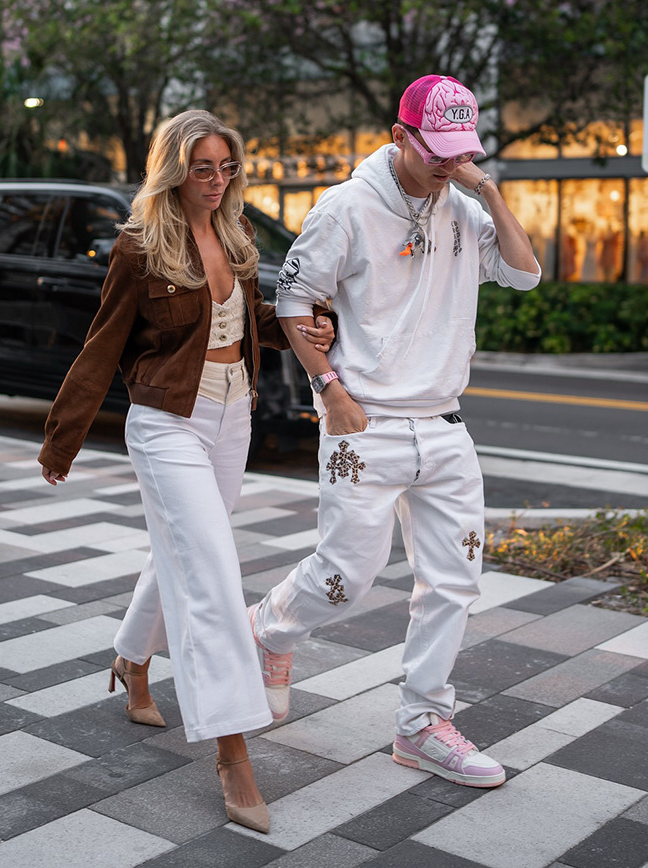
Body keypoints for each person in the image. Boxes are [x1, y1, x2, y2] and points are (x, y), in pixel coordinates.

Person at [38, 110, 334, 833]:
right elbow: (103, 344)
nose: (217, 180)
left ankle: (132, 658)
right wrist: (62, 440)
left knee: (183, 550)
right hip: (166, 421)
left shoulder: (236, 235)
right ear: (174, 169)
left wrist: (306, 328)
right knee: (211, 575)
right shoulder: (140, 246)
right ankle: (232, 750)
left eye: (227, 167)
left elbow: (247, 322)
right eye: (203, 168)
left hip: (233, 416)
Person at [248, 75, 541, 788]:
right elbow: (293, 299)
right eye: (435, 149)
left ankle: (421, 723)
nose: (448, 163)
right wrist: (329, 389)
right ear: (399, 135)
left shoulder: (464, 208)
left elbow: (525, 274)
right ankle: (267, 631)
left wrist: (488, 189)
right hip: (365, 424)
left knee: (455, 582)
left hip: (444, 425)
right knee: (345, 575)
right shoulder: (345, 207)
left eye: (459, 151)